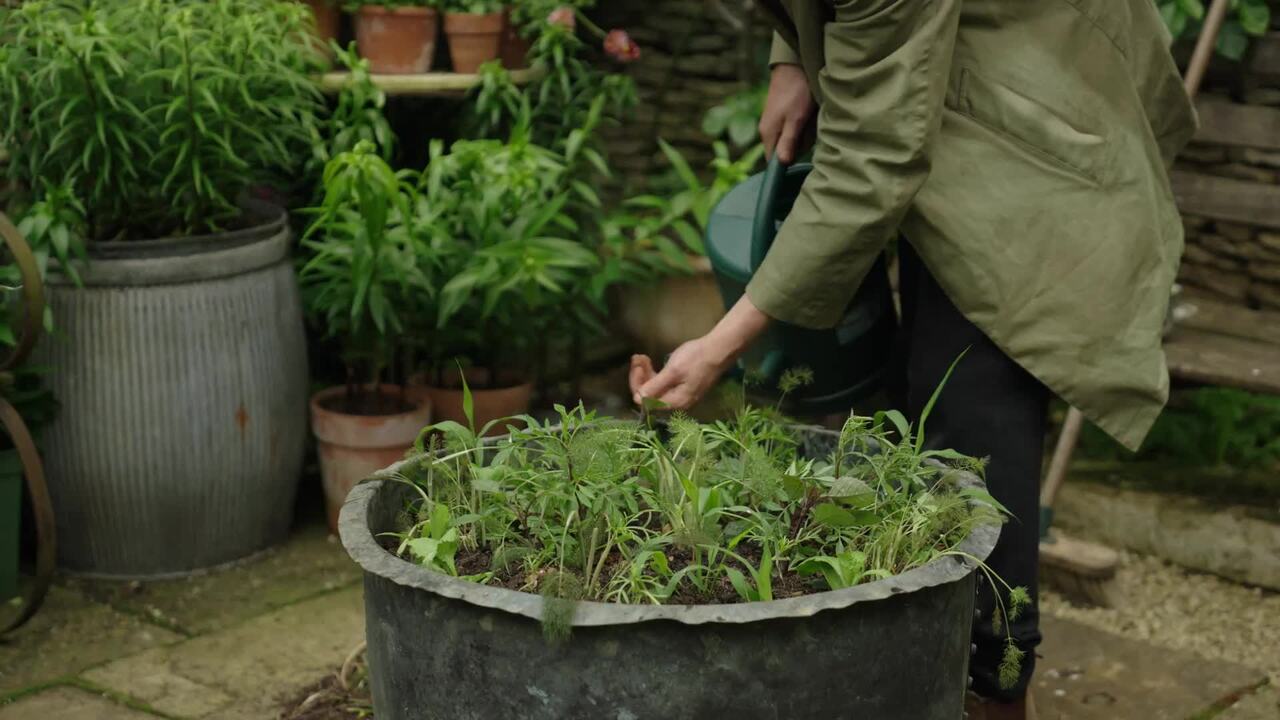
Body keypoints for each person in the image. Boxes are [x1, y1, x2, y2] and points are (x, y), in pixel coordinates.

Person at [628, 1, 1197, 718]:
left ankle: (996, 684)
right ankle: (938, 664)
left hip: (1030, 102)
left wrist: (720, 344)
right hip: (942, 83)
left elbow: (871, 160)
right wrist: (792, 57)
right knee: (922, 403)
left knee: (971, 414)